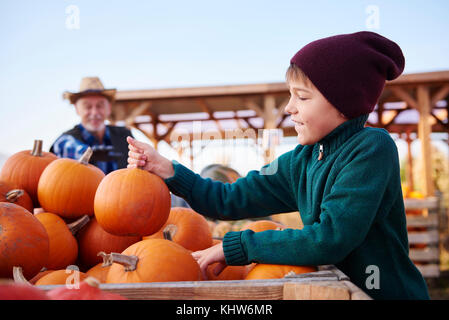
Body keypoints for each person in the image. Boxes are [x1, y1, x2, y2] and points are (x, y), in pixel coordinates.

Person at [126, 31, 429, 300]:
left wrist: (239, 247)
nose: (289, 107)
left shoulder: (371, 148)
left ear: (345, 104)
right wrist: (168, 170)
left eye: (302, 97)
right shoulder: (301, 160)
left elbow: (331, 238)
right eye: (290, 95)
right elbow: (228, 199)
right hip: (338, 293)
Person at [50, 77, 133, 174]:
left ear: (109, 108)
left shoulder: (124, 136)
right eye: (87, 107)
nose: (94, 112)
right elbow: (74, 149)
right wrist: (91, 154)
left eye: (100, 106)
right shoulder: (66, 141)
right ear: (77, 109)